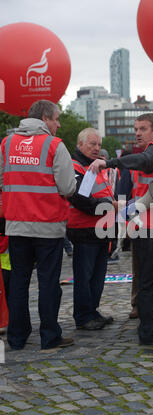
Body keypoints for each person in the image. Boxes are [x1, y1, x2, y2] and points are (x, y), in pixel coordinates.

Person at [89, 113, 153, 345]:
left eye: (143, 128)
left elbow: (142, 161)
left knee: (146, 284)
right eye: (136, 128)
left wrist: (107, 162)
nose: (138, 133)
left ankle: (148, 334)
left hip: (148, 229)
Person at [0, 99, 76, 350]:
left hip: (16, 225)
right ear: (45, 119)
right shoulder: (54, 145)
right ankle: (49, 336)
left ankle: (17, 337)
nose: (58, 124)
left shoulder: (7, 143)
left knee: (19, 282)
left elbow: (3, 180)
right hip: (47, 225)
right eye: (56, 119)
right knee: (48, 282)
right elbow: (67, 187)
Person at [67, 128, 120, 331]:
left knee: (98, 276)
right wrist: (110, 205)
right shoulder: (75, 167)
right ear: (80, 145)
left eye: (98, 144)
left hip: (101, 229)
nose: (97, 148)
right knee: (85, 276)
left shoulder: (96, 166)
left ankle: (92, 311)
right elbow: (81, 201)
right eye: (92, 144)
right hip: (84, 229)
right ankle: (83, 315)